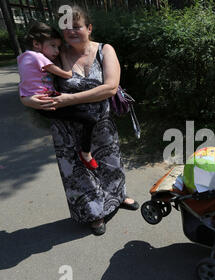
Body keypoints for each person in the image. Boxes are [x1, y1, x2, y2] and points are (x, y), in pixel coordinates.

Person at [20, 5, 139, 236]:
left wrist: (68, 99)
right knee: (78, 172)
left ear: (89, 28)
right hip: (67, 127)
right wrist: (29, 102)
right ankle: (94, 213)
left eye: (77, 26)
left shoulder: (105, 50)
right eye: (66, 28)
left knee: (110, 163)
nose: (71, 31)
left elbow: (110, 87)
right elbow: (29, 81)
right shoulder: (55, 52)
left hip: (102, 123)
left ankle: (117, 198)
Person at [17, 21, 98, 170]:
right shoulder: (39, 58)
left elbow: (25, 83)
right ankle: (85, 152)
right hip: (48, 101)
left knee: (79, 114)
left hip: (39, 101)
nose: (56, 51)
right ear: (36, 44)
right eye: (53, 46)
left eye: (59, 47)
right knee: (90, 119)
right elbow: (67, 74)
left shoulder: (23, 57)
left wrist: (25, 99)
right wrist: (65, 60)